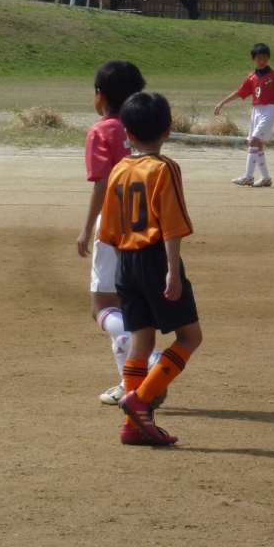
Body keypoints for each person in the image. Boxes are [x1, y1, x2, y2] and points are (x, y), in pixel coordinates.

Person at [99, 92, 202, 446]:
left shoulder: (119, 169)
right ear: (169, 130)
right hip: (156, 258)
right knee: (190, 337)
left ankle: (132, 426)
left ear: (127, 132)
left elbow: (109, 228)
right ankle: (140, 400)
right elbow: (171, 224)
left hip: (125, 261)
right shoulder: (164, 168)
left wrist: (125, 269)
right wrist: (171, 271)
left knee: (142, 341)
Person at [76, 60, 145, 406]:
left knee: (102, 307)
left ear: (100, 95)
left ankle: (150, 358)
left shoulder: (101, 131)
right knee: (126, 305)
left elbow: (102, 184)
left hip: (115, 224)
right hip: (146, 223)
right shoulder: (141, 126)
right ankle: (129, 385)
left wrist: (87, 228)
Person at [213, 43, 274, 187]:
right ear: (253, 59)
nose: (262, 61)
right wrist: (223, 102)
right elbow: (239, 92)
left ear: (268, 59)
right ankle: (266, 178)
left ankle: (248, 177)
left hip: (268, 110)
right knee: (258, 144)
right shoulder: (251, 77)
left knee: (253, 141)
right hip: (256, 111)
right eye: (259, 58)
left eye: (265, 58)